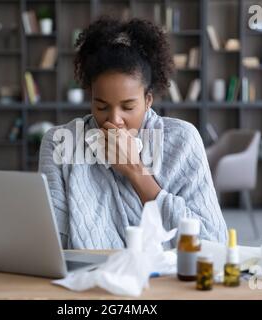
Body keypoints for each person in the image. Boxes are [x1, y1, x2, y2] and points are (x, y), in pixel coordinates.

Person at [39, 17, 227, 249]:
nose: (114, 120)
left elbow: (213, 242)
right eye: (101, 106)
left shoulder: (182, 141)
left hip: (164, 280)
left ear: (148, 100)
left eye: (128, 107)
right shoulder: (59, 142)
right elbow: (52, 244)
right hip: (85, 277)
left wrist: (137, 173)